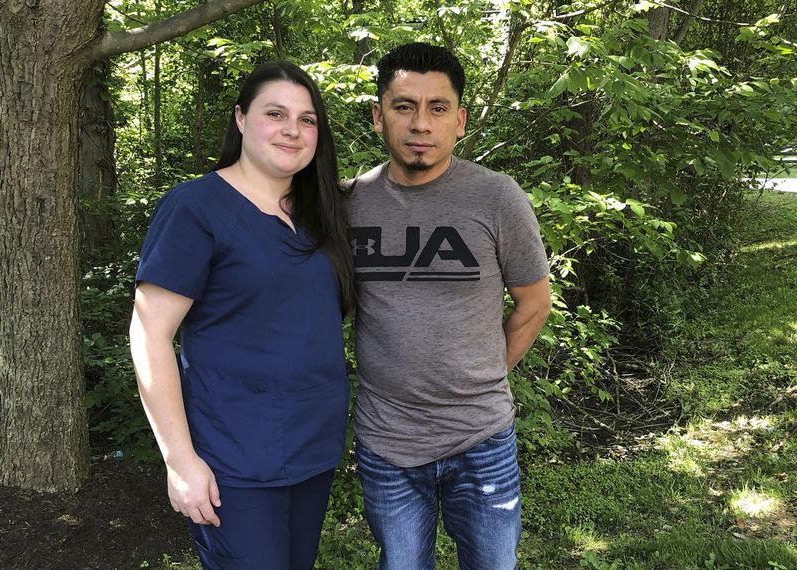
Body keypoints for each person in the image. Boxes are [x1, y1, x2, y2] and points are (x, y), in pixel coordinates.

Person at [129, 60, 355, 570]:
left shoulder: (321, 214)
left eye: (307, 119)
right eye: (275, 113)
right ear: (240, 118)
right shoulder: (195, 208)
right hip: (233, 458)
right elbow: (149, 335)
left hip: (313, 449)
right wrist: (180, 461)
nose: (292, 129)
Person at [346, 43, 552, 569]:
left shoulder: (497, 198)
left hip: (481, 439)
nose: (421, 123)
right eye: (404, 106)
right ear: (378, 116)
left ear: (459, 121)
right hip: (386, 443)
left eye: (438, 108)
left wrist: (482, 375)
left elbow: (533, 303)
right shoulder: (348, 204)